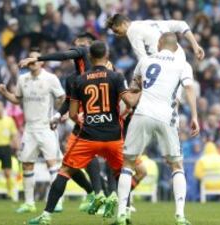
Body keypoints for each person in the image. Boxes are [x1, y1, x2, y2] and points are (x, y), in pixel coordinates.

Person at [29, 41, 140, 225]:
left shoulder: (79, 80)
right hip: (113, 137)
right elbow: (129, 103)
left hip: (88, 136)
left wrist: (82, 120)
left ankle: (46, 216)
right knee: (123, 174)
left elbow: (73, 114)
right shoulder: (116, 77)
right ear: (107, 55)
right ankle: (124, 216)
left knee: (64, 171)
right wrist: (140, 91)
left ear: (89, 57)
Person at [115, 33, 200, 225]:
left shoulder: (145, 60)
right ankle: (180, 215)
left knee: (127, 165)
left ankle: (121, 214)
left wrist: (126, 108)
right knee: (176, 166)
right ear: (175, 46)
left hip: (142, 113)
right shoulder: (182, 64)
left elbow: (134, 87)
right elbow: (189, 89)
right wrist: (194, 116)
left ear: (160, 44)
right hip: (166, 118)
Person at [0, 49, 66, 213]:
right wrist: (5, 93)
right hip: (29, 129)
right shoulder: (22, 79)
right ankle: (29, 203)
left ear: (42, 62)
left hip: (46, 127)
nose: (32, 60)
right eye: (30, 57)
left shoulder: (51, 78)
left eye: (36, 57)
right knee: (27, 164)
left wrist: (60, 114)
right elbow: (17, 99)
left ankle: (57, 202)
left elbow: (62, 97)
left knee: (52, 163)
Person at [106, 13, 204, 60]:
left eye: (116, 30)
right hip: (180, 57)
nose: (116, 34)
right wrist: (195, 46)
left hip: (165, 62)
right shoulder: (149, 22)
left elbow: (142, 59)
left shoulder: (131, 30)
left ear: (124, 24)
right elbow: (182, 24)